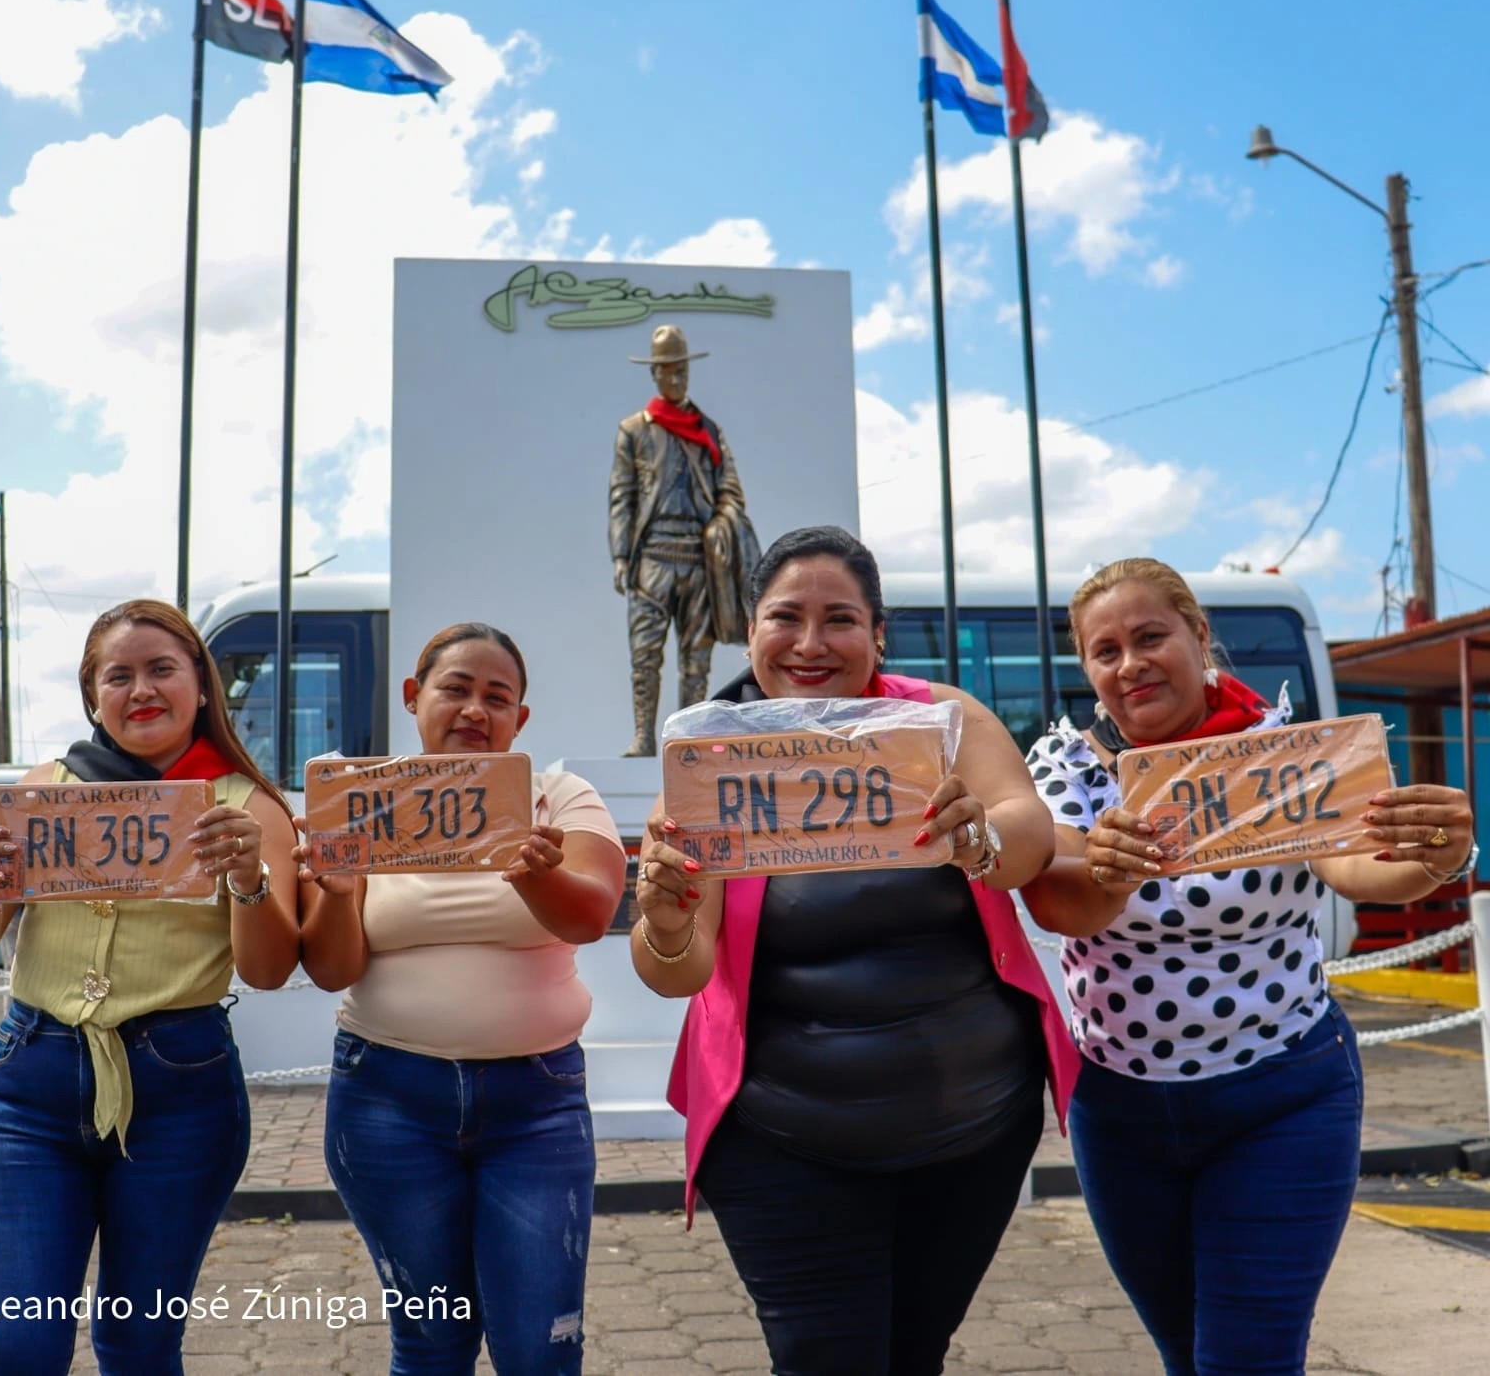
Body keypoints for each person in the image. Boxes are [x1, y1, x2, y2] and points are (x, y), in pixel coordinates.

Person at [631, 526, 1078, 1376]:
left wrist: (976, 836)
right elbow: (677, 969)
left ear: (878, 632)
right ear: (751, 630)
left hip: (972, 1135)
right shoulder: (715, 758)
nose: (809, 642)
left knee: (913, 1357)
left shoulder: (938, 723)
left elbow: (1029, 829)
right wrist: (664, 914)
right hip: (780, 1136)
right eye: (784, 617)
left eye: (839, 618)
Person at [1021, 558, 1478, 1376]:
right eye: (1105, 649)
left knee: (1248, 1358)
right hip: (1121, 1112)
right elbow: (1060, 909)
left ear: (1200, 638)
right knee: (1186, 1353)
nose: (1131, 664)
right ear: (1086, 669)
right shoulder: (1066, 768)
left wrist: (1438, 860)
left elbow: (1358, 869)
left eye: (1151, 636)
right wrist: (1111, 868)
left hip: (1282, 1095)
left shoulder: (1288, 753)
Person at [0, 599, 300, 1376]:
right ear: (92, 696)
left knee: (138, 1345)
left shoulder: (247, 806)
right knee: (14, 1347)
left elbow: (269, 970)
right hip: (31, 1086)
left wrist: (249, 879)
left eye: (162, 668)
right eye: (119, 675)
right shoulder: (45, 788)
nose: (141, 688)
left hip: (181, 1094)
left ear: (201, 686)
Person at [298, 622, 627, 1376]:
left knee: (541, 1348)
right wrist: (338, 892)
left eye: (497, 697)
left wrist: (534, 872)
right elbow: (329, 966)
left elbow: (593, 911)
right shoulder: (360, 803)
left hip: (535, 1106)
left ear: (521, 720)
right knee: (430, 1345)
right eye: (456, 688)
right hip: (387, 1103)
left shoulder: (559, 796)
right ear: (414, 697)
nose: (476, 709)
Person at [608, 322, 757, 757]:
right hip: (651, 560)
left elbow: (731, 490)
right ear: (655, 374)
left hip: (699, 560)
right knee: (645, 656)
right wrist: (620, 555)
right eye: (668, 372)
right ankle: (642, 737)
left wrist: (721, 522)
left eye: (682, 373)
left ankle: (685, 741)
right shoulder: (634, 430)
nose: (675, 380)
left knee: (696, 659)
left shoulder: (709, 430)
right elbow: (622, 495)